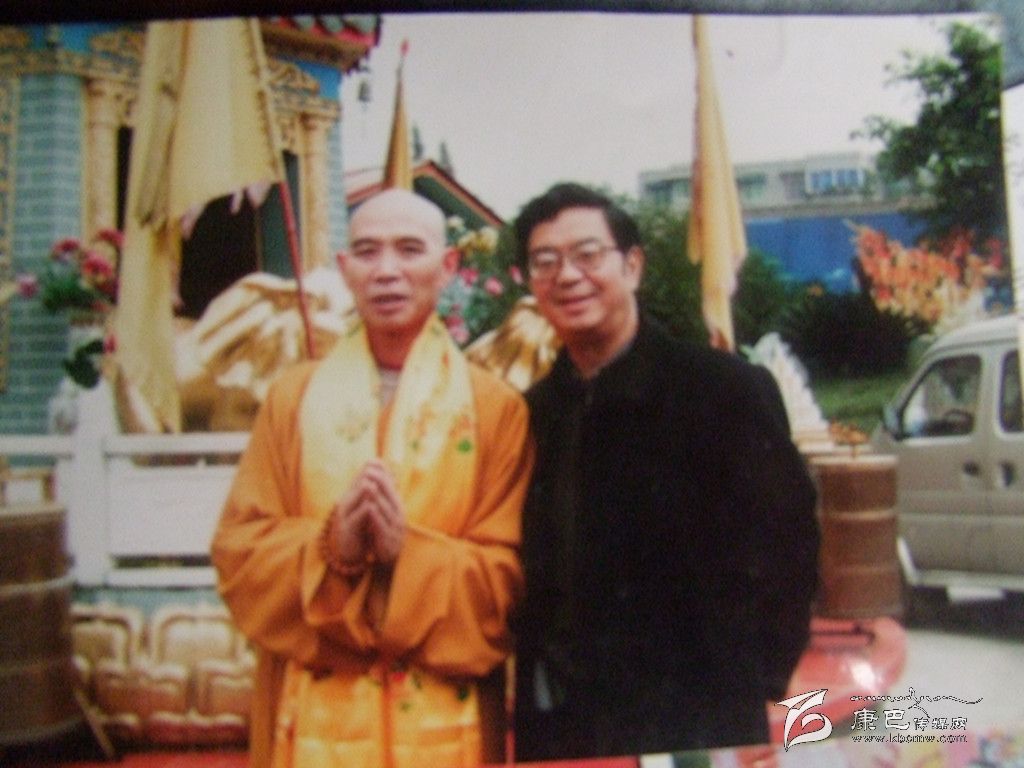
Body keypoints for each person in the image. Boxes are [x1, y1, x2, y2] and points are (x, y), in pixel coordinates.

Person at [211, 189, 533, 768]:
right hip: (312, 710)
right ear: (345, 269)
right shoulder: (292, 398)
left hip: (445, 717)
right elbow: (241, 556)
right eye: (367, 252)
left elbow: (509, 587)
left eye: (409, 250)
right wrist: (331, 550)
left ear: (448, 265)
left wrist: (406, 556)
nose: (387, 271)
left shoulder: (495, 409)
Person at [511, 183, 819, 759]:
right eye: (545, 261)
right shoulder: (532, 415)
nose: (567, 276)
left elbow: (790, 544)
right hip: (566, 723)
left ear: (632, 266)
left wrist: (758, 682)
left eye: (587, 255)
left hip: (696, 716)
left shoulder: (722, 390)